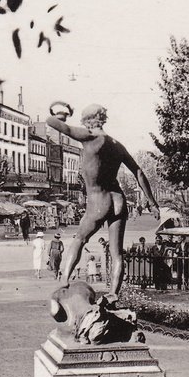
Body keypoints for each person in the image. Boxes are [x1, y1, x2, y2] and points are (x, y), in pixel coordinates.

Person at [46, 102, 160, 296]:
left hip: (99, 201)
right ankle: (114, 295)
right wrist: (152, 202)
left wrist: (60, 113)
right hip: (118, 200)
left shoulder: (88, 136)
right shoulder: (117, 145)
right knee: (117, 254)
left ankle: (64, 280)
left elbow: (52, 122)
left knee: (80, 239)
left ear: (87, 121)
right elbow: (139, 172)